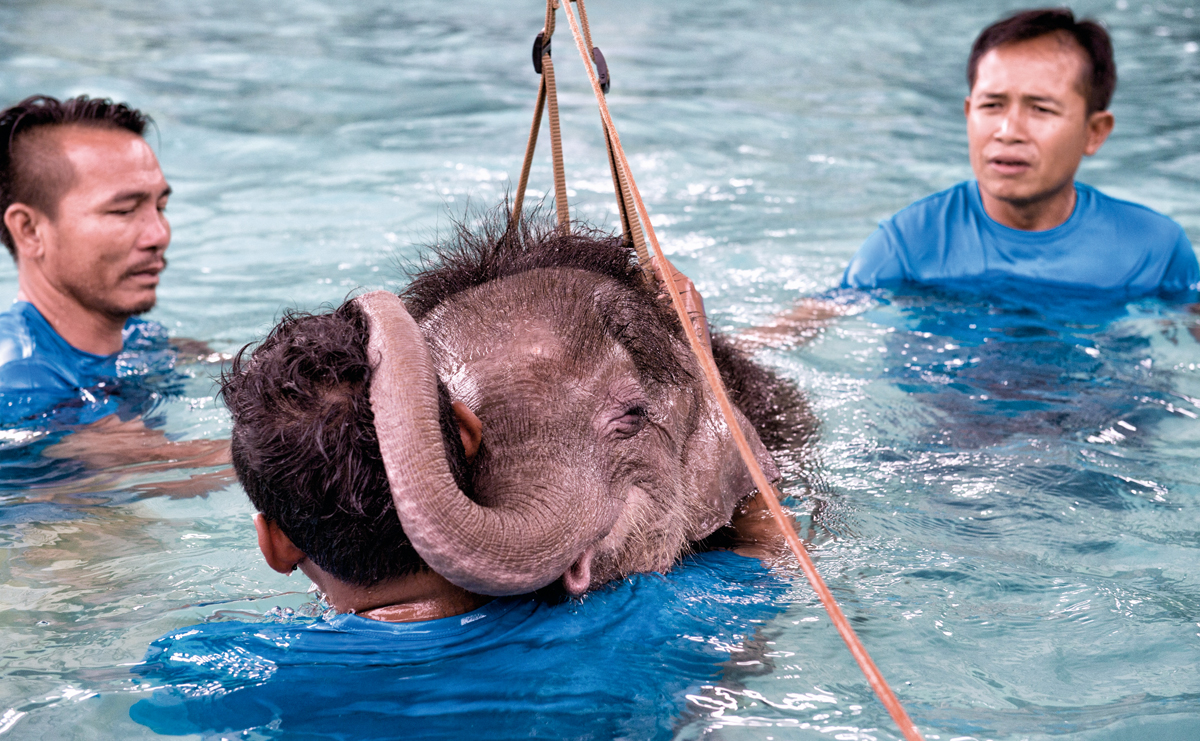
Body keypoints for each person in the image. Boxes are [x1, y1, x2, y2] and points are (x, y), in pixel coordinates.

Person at [128, 297, 788, 739]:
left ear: (274, 542)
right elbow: (762, 519)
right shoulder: (659, 619)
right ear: (469, 436)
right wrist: (699, 372)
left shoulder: (209, 669)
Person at [841, 8, 1199, 296]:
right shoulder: (910, 244)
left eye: (1041, 109)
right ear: (968, 115)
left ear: (1094, 132)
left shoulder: (1154, 251)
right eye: (992, 105)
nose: (1008, 131)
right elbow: (804, 327)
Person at [0, 94, 175, 424]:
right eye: (123, 210)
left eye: (160, 208)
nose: (159, 235)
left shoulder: (140, 338)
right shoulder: (20, 386)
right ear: (29, 231)